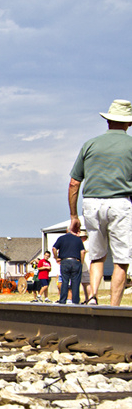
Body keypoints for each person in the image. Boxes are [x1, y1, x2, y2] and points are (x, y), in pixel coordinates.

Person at [69, 99, 132, 306]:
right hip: (120, 202)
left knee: (97, 256)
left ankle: (93, 296)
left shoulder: (90, 144)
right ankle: (114, 307)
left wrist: (74, 215)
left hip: (91, 203)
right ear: (129, 123)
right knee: (121, 259)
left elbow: (74, 183)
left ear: (108, 121)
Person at [53, 229, 86, 305]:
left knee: (65, 281)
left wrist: (56, 257)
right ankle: (75, 301)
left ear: (67, 230)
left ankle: (62, 300)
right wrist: (81, 262)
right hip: (75, 261)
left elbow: (54, 248)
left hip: (65, 261)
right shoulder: (78, 239)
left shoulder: (61, 238)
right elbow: (83, 251)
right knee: (75, 282)